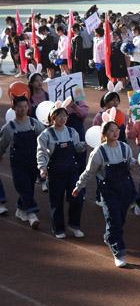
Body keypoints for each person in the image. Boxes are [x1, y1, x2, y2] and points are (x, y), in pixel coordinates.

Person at [73, 109, 137, 267]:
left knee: (120, 218)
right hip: (108, 191)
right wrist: (78, 187)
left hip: (125, 188)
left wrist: (135, 163)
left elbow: (130, 163)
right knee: (114, 220)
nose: (115, 132)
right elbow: (89, 172)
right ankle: (118, 252)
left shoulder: (124, 147)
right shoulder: (99, 152)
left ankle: (109, 236)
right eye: (111, 130)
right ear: (104, 133)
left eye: (117, 129)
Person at [36, 99, 87, 238]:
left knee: (77, 197)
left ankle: (74, 225)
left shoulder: (72, 132)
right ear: (52, 118)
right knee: (56, 202)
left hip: (72, 170)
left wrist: (86, 144)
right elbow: (42, 153)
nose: (63, 118)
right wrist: (42, 168)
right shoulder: (46, 135)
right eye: (59, 116)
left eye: (64, 115)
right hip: (55, 172)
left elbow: (77, 147)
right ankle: (58, 229)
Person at [0, 96, 46, 228]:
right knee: (24, 186)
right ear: (13, 107)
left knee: (29, 187)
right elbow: (2, 144)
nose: (23, 109)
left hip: (33, 161)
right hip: (18, 162)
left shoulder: (34, 123)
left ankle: (20, 209)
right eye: (20, 107)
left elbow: (45, 137)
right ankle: (32, 214)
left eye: (25, 106)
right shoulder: (9, 127)